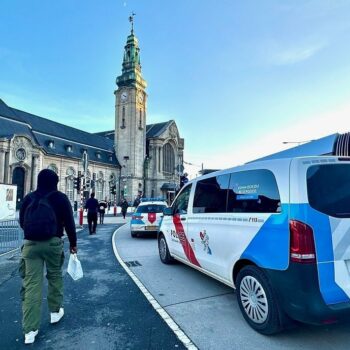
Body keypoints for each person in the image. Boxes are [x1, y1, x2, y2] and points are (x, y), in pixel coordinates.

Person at [19, 169, 77, 344]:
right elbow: (69, 223)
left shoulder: (29, 198)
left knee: (32, 285)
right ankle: (55, 312)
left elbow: (22, 222)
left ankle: (29, 331)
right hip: (53, 243)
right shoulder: (60, 198)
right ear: (55, 182)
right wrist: (73, 244)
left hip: (30, 245)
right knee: (54, 276)